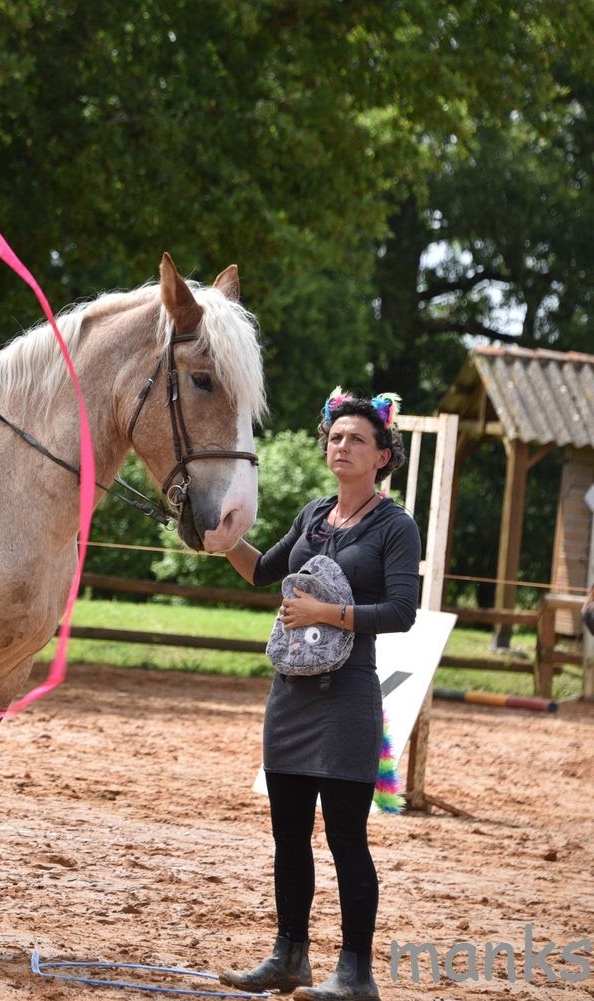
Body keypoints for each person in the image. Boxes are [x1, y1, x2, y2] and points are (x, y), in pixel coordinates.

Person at [218, 388, 420, 1001]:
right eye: (335, 437)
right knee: (287, 835)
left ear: (383, 455)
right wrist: (220, 534)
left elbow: (402, 612)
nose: (343, 446)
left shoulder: (395, 527)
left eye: (358, 438)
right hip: (292, 696)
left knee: (345, 839)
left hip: (348, 698)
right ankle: (289, 956)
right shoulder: (312, 515)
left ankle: (356, 973)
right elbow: (260, 571)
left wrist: (325, 613)